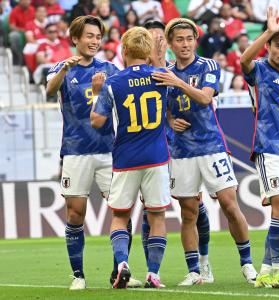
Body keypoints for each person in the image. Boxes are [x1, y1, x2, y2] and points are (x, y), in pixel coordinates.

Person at [151, 17, 258, 286]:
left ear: (195, 40)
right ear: (171, 44)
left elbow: (205, 97)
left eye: (189, 39)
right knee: (188, 212)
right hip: (181, 150)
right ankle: (195, 270)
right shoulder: (164, 71)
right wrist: (168, 119)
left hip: (211, 146)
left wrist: (177, 81)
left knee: (229, 204)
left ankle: (247, 263)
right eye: (179, 40)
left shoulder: (207, 65)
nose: (185, 44)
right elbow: (157, 105)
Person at [45, 15, 140, 290]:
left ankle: (119, 271)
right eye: (89, 36)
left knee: (122, 210)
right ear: (75, 38)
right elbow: (50, 90)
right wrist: (64, 69)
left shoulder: (110, 68)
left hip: (109, 151)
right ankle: (78, 275)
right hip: (75, 152)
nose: (94, 41)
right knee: (76, 213)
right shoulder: (62, 68)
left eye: (98, 37)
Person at [90, 26, 170, 289]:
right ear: (147, 52)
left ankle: (122, 261)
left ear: (124, 51)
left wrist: (97, 92)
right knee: (156, 216)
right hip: (157, 157)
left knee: (120, 216)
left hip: (125, 158)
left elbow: (97, 121)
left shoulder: (113, 83)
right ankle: (154, 273)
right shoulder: (162, 77)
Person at [143, 20, 215, 284]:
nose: (158, 45)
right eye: (152, 40)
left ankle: (203, 263)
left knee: (195, 206)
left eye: (161, 39)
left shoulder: (175, 72)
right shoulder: (141, 73)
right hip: (151, 149)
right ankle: (154, 270)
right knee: (149, 210)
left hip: (181, 148)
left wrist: (172, 122)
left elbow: (198, 100)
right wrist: (168, 120)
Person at [240, 7, 279, 289]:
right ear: (268, 46)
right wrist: (268, 30)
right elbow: (243, 60)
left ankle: (267, 271)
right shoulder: (261, 71)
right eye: (278, 45)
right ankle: (277, 267)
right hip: (267, 148)